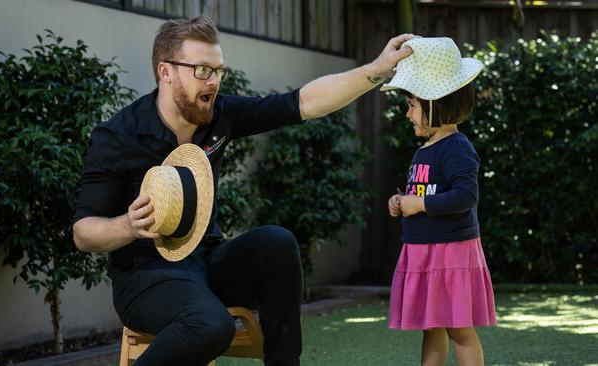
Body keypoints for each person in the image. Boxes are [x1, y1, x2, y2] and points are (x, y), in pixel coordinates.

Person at [73, 15, 413, 366]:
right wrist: (127, 226)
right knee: (211, 326)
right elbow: (83, 233)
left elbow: (301, 103)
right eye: (203, 70)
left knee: (276, 243)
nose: (215, 81)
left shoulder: (220, 115)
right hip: (145, 277)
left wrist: (376, 70)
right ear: (165, 71)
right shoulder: (117, 136)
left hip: (206, 260)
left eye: (219, 70)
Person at [383, 37, 497, 366]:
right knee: (430, 328)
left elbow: (466, 196)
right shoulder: (425, 148)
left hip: (451, 253)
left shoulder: (457, 146)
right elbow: (426, 190)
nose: (408, 114)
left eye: (412, 106)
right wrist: (401, 200)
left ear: (435, 104)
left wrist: (419, 206)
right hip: (424, 252)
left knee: (459, 330)